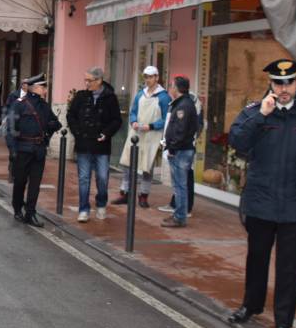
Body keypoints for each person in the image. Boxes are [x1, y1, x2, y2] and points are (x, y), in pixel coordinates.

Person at [226, 59, 296, 328]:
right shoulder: (256, 112)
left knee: (290, 266)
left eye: (288, 83)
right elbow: (237, 141)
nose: (283, 89)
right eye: (278, 83)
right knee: (257, 258)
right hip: (262, 201)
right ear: (271, 84)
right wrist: (260, 116)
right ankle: (251, 305)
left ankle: (284, 322)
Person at [66, 67, 121, 223]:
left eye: (89, 80)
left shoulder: (110, 98)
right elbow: (71, 115)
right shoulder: (81, 96)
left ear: (99, 80)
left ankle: (101, 203)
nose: (87, 83)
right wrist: (76, 132)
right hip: (83, 144)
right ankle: (84, 209)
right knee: (84, 178)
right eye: (86, 80)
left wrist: (106, 133)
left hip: (102, 145)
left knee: (102, 178)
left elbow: (117, 120)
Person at [5, 74, 61, 226]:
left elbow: (56, 122)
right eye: (43, 87)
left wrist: (51, 125)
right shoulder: (19, 104)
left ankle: (30, 213)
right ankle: (17, 208)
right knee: (20, 182)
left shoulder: (44, 106)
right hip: (22, 149)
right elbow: (10, 129)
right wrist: (12, 150)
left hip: (38, 150)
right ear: (35, 88)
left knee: (35, 184)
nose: (45, 89)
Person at [112, 65, 170, 208]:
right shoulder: (140, 94)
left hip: (151, 135)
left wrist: (151, 126)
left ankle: (144, 195)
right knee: (127, 164)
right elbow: (133, 111)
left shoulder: (164, 97)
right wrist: (134, 121)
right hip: (136, 133)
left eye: (151, 77)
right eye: (146, 77)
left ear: (157, 77)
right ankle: (124, 192)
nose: (148, 80)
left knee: (147, 166)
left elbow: (166, 119)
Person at [161, 76, 199, 228]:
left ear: (177, 89)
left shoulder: (183, 106)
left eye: (172, 86)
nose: (170, 88)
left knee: (180, 185)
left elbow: (180, 131)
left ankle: (180, 217)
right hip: (182, 149)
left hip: (181, 151)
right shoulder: (184, 103)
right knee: (179, 185)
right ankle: (179, 214)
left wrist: (172, 148)